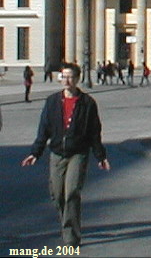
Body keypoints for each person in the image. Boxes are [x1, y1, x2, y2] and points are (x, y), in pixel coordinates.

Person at [21, 63, 111, 246]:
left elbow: (94, 132)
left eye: (70, 77)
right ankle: (67, 223)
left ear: (77, 79)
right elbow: (43, 129)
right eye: (63, 76)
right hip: (56, 153)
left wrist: (100, 156)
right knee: (57, 194)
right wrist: (35, 153)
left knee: (71, 192)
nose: (66, 80)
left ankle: (71, 236)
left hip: (78, 153)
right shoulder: (52, 101)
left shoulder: (87, 103)